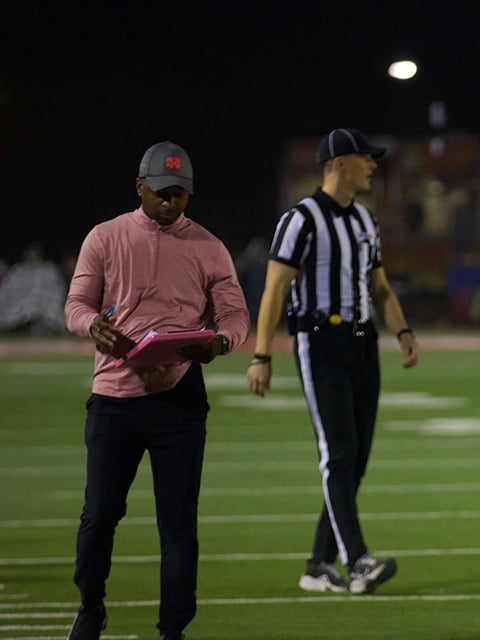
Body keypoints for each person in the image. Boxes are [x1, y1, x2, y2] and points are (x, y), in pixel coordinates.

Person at [64, 141, 250, 640]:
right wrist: (91, 327)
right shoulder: (105, 237)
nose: (171, 203)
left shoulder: (209, 245)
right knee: (100, 515)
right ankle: (90, 606)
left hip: (180, 400)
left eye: (181, 195)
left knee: (178, 525)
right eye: (162, 192)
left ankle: (173, 630)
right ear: (139, 185)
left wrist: (221, 342)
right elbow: (77, 302)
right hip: (114, 399)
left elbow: (234, 315)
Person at [247, 127, 420, 595]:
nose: (373, 165)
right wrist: (261, 354)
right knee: (338, 455)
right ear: (339, 162)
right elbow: (275, 290)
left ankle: (318, 563)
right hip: (320, 340)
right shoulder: (301, 218)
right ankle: (357, 561)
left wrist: (401, 330)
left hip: (363, 341)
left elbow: (379, 285)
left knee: (355, 459)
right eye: (366, 158)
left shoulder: (364, 218)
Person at [0, 240, 68, 335]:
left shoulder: (49, 269)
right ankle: (22, 325)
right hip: (20, 307)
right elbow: (6, 292)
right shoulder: (18, 270)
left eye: (35, 252)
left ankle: (41, 325)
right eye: (31, 252)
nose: (33, 254)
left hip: (45, 305)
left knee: (45, 306)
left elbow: (59, 290)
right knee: (28, 304)